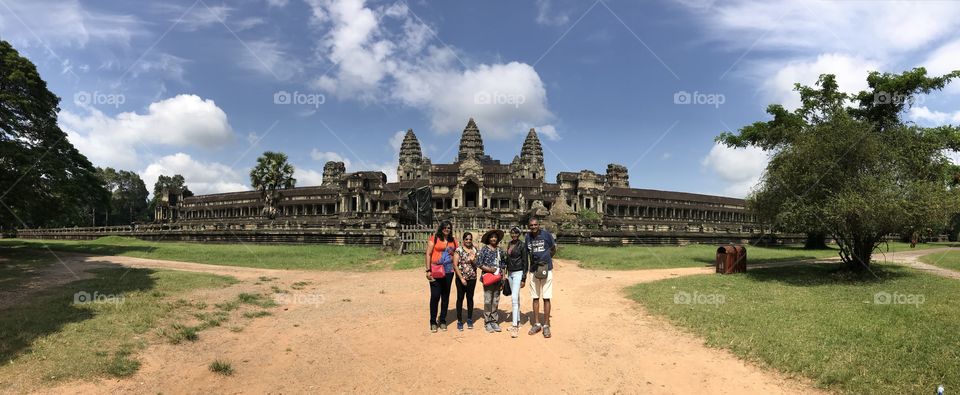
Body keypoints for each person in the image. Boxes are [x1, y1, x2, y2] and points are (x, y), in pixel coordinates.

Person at [525, 218, 556, 338]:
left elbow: (553, 249)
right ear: (529, 226)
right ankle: (537, 323)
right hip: (533, 270)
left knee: (547, 297)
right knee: (535, 297)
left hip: (546, 269)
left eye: (535, 225)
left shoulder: (546, 235)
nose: (533, 227)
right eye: (531, 225)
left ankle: (546, 325)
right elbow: (527, 253)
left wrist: (546, 260)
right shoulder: (528, 237)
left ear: (539, 225)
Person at [425, 220, 457, 333]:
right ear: (441, 228)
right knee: (435, 296)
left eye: (449, 228)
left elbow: (457, 254)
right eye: (444, 227)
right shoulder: (434, 238)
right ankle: (433, 321)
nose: (447, 229)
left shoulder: (453, 240)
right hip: (436, 270)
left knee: (445, 295)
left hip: (449, 271)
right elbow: (428, 254)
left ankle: (443, 320)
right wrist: (428, 270)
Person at [476, 228, 505, 333]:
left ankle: (494, 321)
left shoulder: (500, 250)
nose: (493, 238)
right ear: (488, 239)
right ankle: (487, 322)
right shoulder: (484, 249)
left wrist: (503, 278)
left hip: (498, 279)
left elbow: (503, 265)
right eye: (492, 237)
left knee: (495, 300)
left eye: (495, 237)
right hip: (488, 278)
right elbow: (479, 263)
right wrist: (490, 270)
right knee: (488, 299)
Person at [504, 226, 529, 338]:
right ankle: (517, 321)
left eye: (515, 233)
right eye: (512, 233)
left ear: (519, 234)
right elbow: (507, 259)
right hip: (510, 272)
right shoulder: (509, 244)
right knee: (516, 297)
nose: (513, 235)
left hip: (518, 272)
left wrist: (524, 277)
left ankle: (514, 325)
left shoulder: (522, 245)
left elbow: (525, 261)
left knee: (514, 298)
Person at [452, 231, 479, 331]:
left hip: (472, 278)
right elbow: (455, 265)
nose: (468, 241)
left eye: (470, 239)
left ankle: (469, 319)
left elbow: (478, 264)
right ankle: (459, 320)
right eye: (466, 239)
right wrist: (461, 278)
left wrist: (473, 260)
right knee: (460, 298)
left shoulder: (475, 250)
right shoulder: (458, 250)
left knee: (470, 298)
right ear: (463, 240)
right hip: (461, 279)